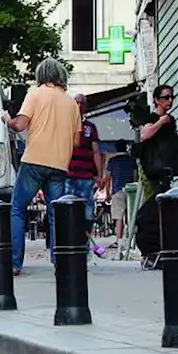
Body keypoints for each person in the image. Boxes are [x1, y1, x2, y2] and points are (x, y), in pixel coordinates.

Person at [1, 58, 81, 275]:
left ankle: (15, 263)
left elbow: (20, 124)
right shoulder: (72, 103)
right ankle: (59, 263)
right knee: (56, 213)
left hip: (35, 160)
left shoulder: (35, 94)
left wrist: (7, 118)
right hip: (59, 165)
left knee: (17, 209)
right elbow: (76, 142)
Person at [131, 85, 178, 269]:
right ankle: (152, 251)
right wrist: (161, 121)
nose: (169, 101)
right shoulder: (152, 119)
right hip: (150, 173)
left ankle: (159, 251)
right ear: (156, 100)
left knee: (158, 214)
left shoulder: (171, 122)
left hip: (164, 174)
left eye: (171, 98)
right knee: (147, 215)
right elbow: (145, 135)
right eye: (165, 97)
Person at [68, 93, 107, 258]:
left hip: (85, 176)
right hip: (67, 175)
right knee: (67, 211)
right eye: (75, 102)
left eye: (81, 103)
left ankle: (84, 247)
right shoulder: (66, 125)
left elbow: (96, 152)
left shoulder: (90, 127)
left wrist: (99, 175)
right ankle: (70, 246)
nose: (78, 105)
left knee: (88, 213)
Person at [105, 141, 137, 241]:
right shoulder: (131, 160)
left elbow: (108, 178)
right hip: (131, 190)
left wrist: (108, 193)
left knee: (119, 217)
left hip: (117, 190)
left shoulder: (112, 161)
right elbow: (135, 176)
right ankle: (132, 239)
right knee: (131, 215)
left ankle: (119, 240)